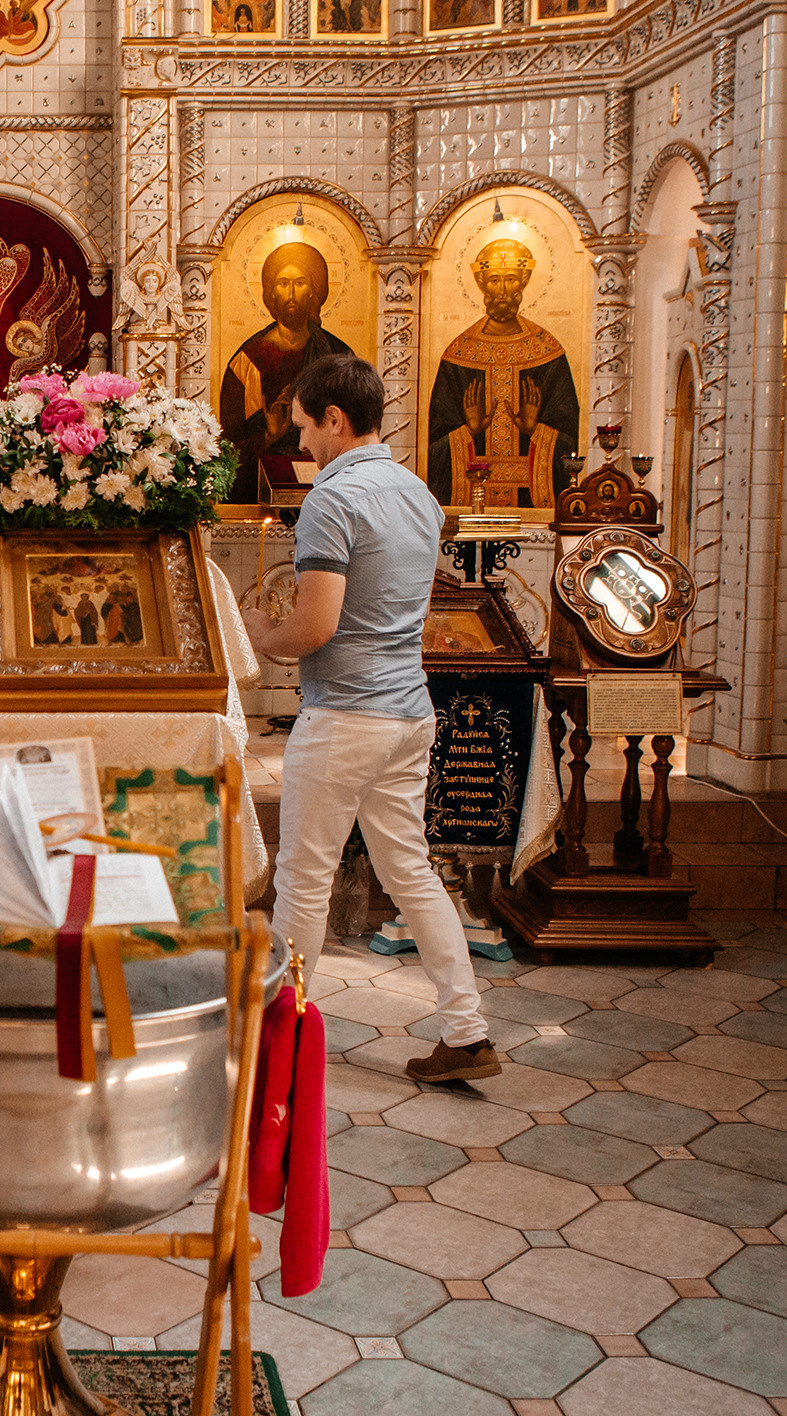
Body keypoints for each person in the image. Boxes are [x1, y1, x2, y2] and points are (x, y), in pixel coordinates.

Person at [240, 353, 499, 1084]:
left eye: (304, 430)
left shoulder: (332, 497)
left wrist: (262, 635)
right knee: (411, 871)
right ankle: (466, 1032)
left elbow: (315, 626)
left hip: (347, 715)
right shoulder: (419, 492)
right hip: (409, 711)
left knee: (303, 879)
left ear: (335, 419)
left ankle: (275, 1043)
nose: (301, 447)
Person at [424, 238, 579, 510]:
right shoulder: (459, 352)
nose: (503, 290)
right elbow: (432, 445)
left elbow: (573, 440)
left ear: (524, 283)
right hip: (469, 499)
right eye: (494, 280)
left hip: (531, 500)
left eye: (511, 279)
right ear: (482, 285)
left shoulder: (547, 350)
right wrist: (467, 432)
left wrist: (536, 431)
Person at [218, 241, 355, 503]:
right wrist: (269, 434)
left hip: (330, 489)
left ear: (315, 291)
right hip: (262, 493)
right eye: (282, 283)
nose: (291, 293)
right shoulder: (248, 360)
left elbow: (356, 430)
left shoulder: (338, 355)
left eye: (300, 282)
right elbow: (228, 448)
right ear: (270, 293)